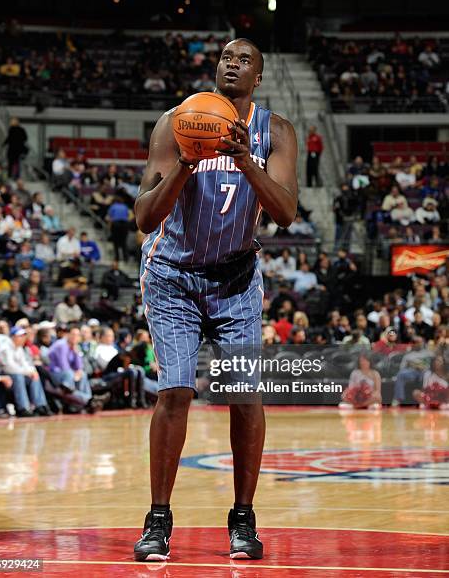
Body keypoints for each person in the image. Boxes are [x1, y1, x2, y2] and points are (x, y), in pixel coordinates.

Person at [133, 38, 298, 562]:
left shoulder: (277, 133)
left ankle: (243, 520)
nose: (233, 63)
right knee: (176, 391)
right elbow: (143, 218)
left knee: (246, 396)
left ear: (259, 77)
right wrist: (185, 164)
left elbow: (286, 213)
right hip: (173, 274)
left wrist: (246, 162)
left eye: (245, 58)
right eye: (227, 56)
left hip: (236, 278)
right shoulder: (176, 122)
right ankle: (158, 520)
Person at [0, 326, 50, 417]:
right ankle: (23, 408)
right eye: (20, 336)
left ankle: (40, 405)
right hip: (5, 374)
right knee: (19, 377)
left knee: (34, 376)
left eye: (23, 336)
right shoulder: (5, 347)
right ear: (13, 337)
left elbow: (25, 364)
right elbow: (10, 367)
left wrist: (32, 371)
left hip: (17, 374)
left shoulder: (19, 348)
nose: (23, 338)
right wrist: (27, 372)